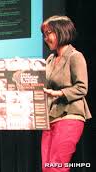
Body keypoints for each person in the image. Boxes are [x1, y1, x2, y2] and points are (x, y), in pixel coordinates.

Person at [41, 15, 91, 172]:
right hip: (50, 119)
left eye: (49, 33)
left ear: (61, 31)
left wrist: (59, 93)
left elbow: (82, 87)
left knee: (57, 166)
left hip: (70, 116)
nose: (45, 38)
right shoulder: (50, 59)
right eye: (44, 34)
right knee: (47, 167)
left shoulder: (75, 56)